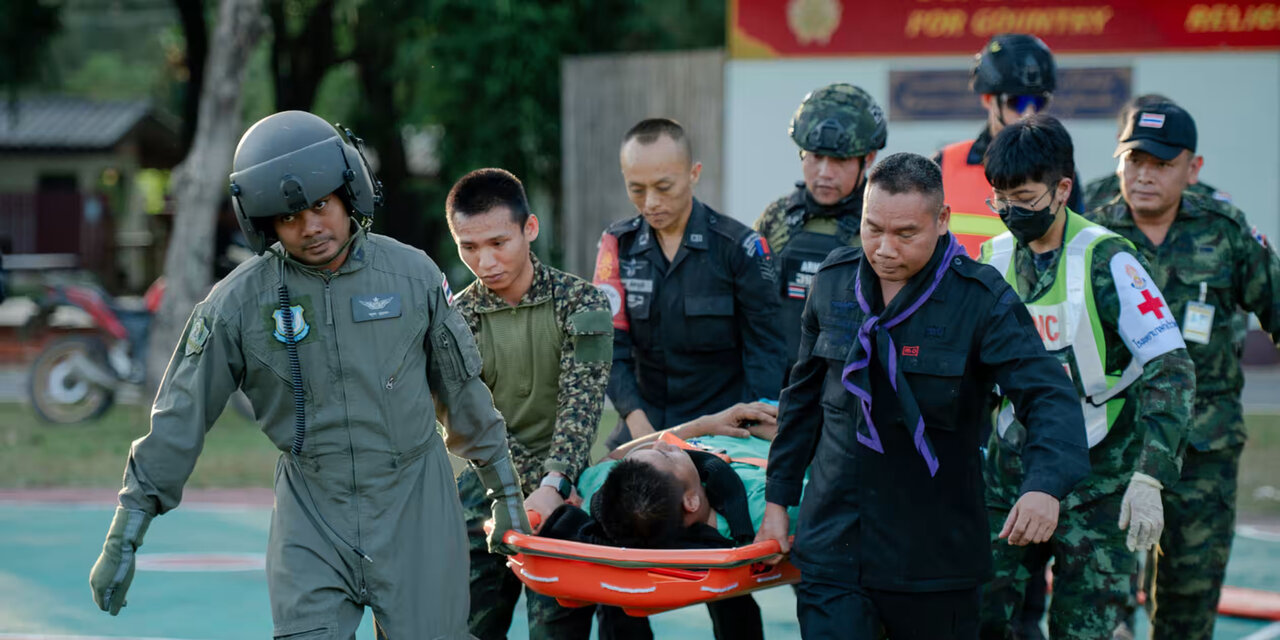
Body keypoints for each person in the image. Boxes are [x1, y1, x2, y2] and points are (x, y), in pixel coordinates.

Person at [88, 111, 529, 638]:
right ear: (264, 223)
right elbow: (179, 417)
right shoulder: (237, 304)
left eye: (321, 204)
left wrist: (505, 493)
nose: (310, 226)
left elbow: (464, 394)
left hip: (416, 505)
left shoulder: (412, 276)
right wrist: (126, 530)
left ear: (349, 193)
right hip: (313, 514)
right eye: (288, 215)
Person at [755, 152, 1090, 640]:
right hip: (835, 547)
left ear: (942, 221)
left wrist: (1044, 485)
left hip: (934, 560)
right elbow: (801, 402)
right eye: (873, 229)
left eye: (905, 234)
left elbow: (1048, 394)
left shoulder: (979, 299)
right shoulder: (832, 283)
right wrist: (778, 501)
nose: (884, 249)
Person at [976, 115, 1195, 638]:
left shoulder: (1109, 260)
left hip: (1099, 474)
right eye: (1000, 199)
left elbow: (1172, 366)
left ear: (1062, 189)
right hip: (1012, 472)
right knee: (981, 616)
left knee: (1086, 628)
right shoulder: (992, 258)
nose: (1011, 213)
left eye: (1025, 199)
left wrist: (1150, 476)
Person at [1085, 101, 1280, 640]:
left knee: (1187, 612)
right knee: (1097, 613)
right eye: (1135, 159)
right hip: (1112, 447)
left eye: (1162, 163)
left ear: (1192, 168)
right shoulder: (1087, 225)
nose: (1144, 174)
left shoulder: (1225, 230)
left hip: (1202, 450)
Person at [446, 168, 612, 640]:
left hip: (565, 494)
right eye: (469, 247)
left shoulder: (583, 302)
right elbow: (468, 420)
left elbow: (581, 405)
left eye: (499, 242)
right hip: (482, 495)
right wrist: (522, 486)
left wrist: (555, 483)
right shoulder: (455, 320)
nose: (485, 260)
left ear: (530, 228)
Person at [593, 117, 786, 451]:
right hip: (646, 422)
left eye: (663, 187)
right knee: (593, 494)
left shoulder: (738, 248)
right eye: (637, 189)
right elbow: (609, 348)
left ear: (693, 174)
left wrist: (749, 427)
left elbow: (766, 352)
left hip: (726, 426)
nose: (650, 202)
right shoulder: (617, 247)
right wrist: (639, 426)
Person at [753, 84, 887, 378]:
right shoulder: (777, 218)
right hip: (781, 386)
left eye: (839, 160)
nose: (824, 172)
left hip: (853, 387)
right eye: (814, 157)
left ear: (869, 158)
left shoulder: (883, 224)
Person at [936, 33, 1082, 259]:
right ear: (987, 99)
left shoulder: (1060, 173)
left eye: (1039, 102)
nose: (1029, 113)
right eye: (1017, 102)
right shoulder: (943, 165)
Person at [1083, 93, 1233, 212]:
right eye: (1135, 160)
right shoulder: (1093, 201)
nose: (1145, 177)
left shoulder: (1215, 209)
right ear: (1120, 140)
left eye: (1161, 164)